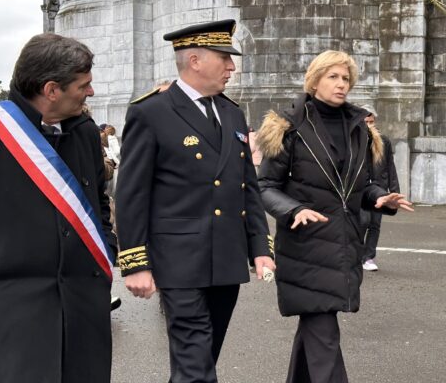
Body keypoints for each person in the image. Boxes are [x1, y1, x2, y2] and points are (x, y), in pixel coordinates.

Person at [115, 19, 275, 383]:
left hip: (225, 257)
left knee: (203, 357)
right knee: (194, 360)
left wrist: (259, 247)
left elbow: (246, 185)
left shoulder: (231, 111)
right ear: (195, 60)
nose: (232, 67)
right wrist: (135, 262)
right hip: (178, 261)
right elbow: (132, 193)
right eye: (225, 58)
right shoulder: (151, 112)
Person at [257, 50, 414, 383]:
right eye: (333, 77)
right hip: (305, 247)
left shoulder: (360, 129)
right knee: (323, 331)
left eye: (346, 78)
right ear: (314, 80)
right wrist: (294, 209)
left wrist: (380, 198)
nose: (341, 84)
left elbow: (359, 188)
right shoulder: (286, 126)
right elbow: (265, 186)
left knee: (316, 327)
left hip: (343, 245)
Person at [0, 33, 116, 382]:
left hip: (84, 308)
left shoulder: (84, 133)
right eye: (83, 85)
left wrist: (106, 249)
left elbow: (100, 202)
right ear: (51, 90)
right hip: (17, 311)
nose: (90, 92)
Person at [358, 104, 400, 271]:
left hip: (380, 189)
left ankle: (368, 257)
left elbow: (390, 166)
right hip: (362, 190)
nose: (369, 125)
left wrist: (395, 191)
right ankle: (357, 254)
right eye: (366, 122)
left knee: (375, 224)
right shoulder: (356, 141)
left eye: (372, 121)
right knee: (363, 220)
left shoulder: (384, 141)